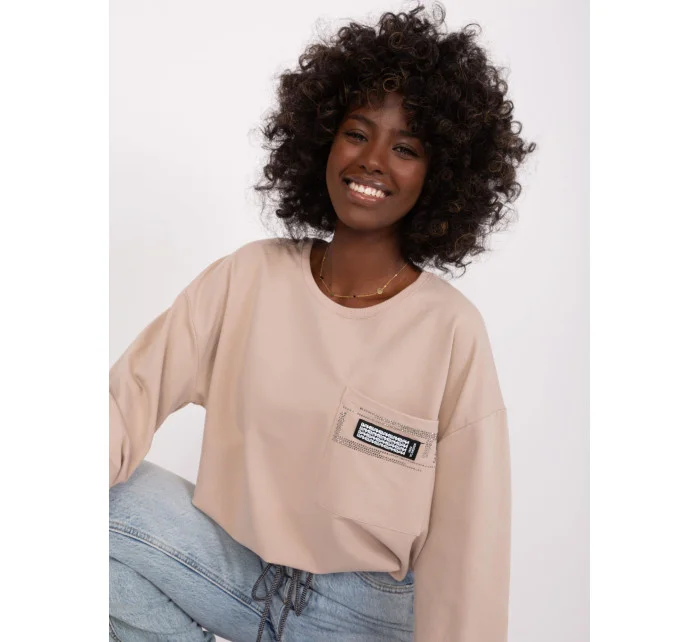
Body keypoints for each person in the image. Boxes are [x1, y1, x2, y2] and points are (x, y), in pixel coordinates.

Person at [109, 4, 536, 641]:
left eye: (406, 148)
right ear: (323, 141)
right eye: (357, 133)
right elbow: (126, 400)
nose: (373, 161)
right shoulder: (248, 277)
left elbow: (469, 542)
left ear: (441, 175)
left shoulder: (452, 331)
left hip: (362, 615)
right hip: (233, 570)